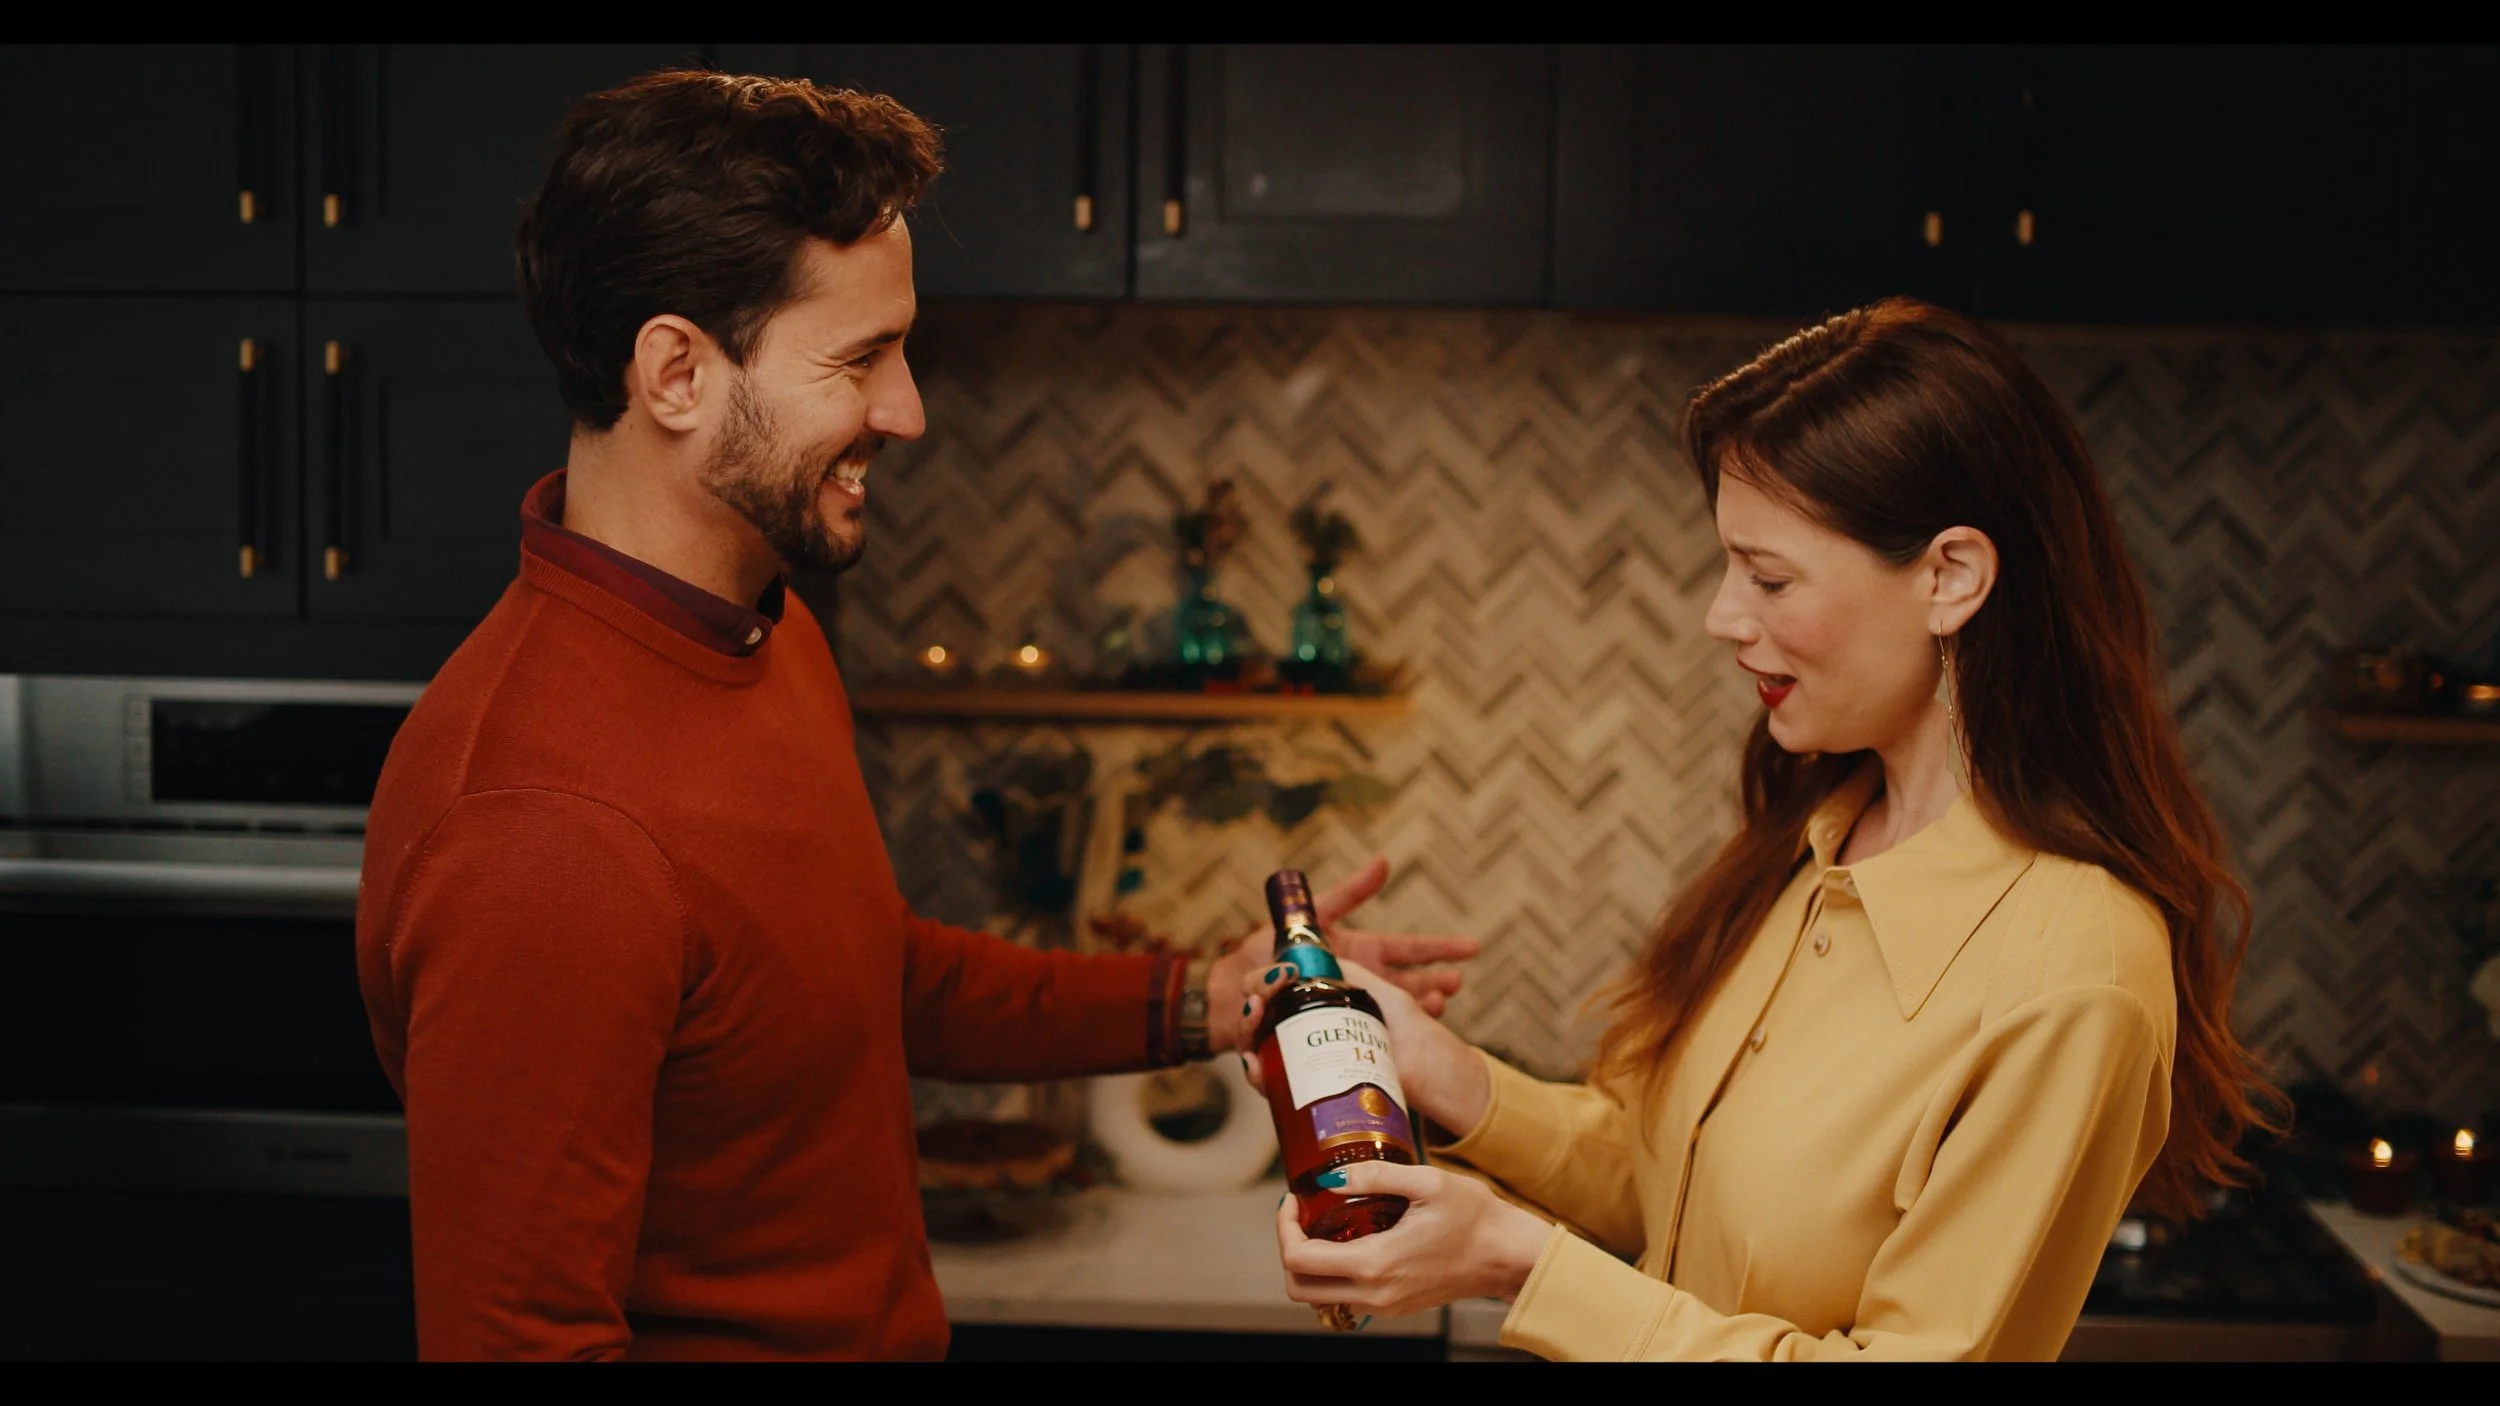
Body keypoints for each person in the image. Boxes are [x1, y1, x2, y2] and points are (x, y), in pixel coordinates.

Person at [353, 70, 1473, 1361]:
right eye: (859, 358)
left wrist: (1207, 998)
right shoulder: (540, 828)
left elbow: (862, 974)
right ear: (675, 371)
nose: (908, 408)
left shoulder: (761, 636)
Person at [1243, 297, 2278, 1361]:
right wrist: (1436, 1065)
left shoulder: (2077, 971)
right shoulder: (1822, 837)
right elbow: (1663, 1177)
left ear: (1949, 577)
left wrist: (1522, 1263)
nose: (1721, 615)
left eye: (1768, 574)